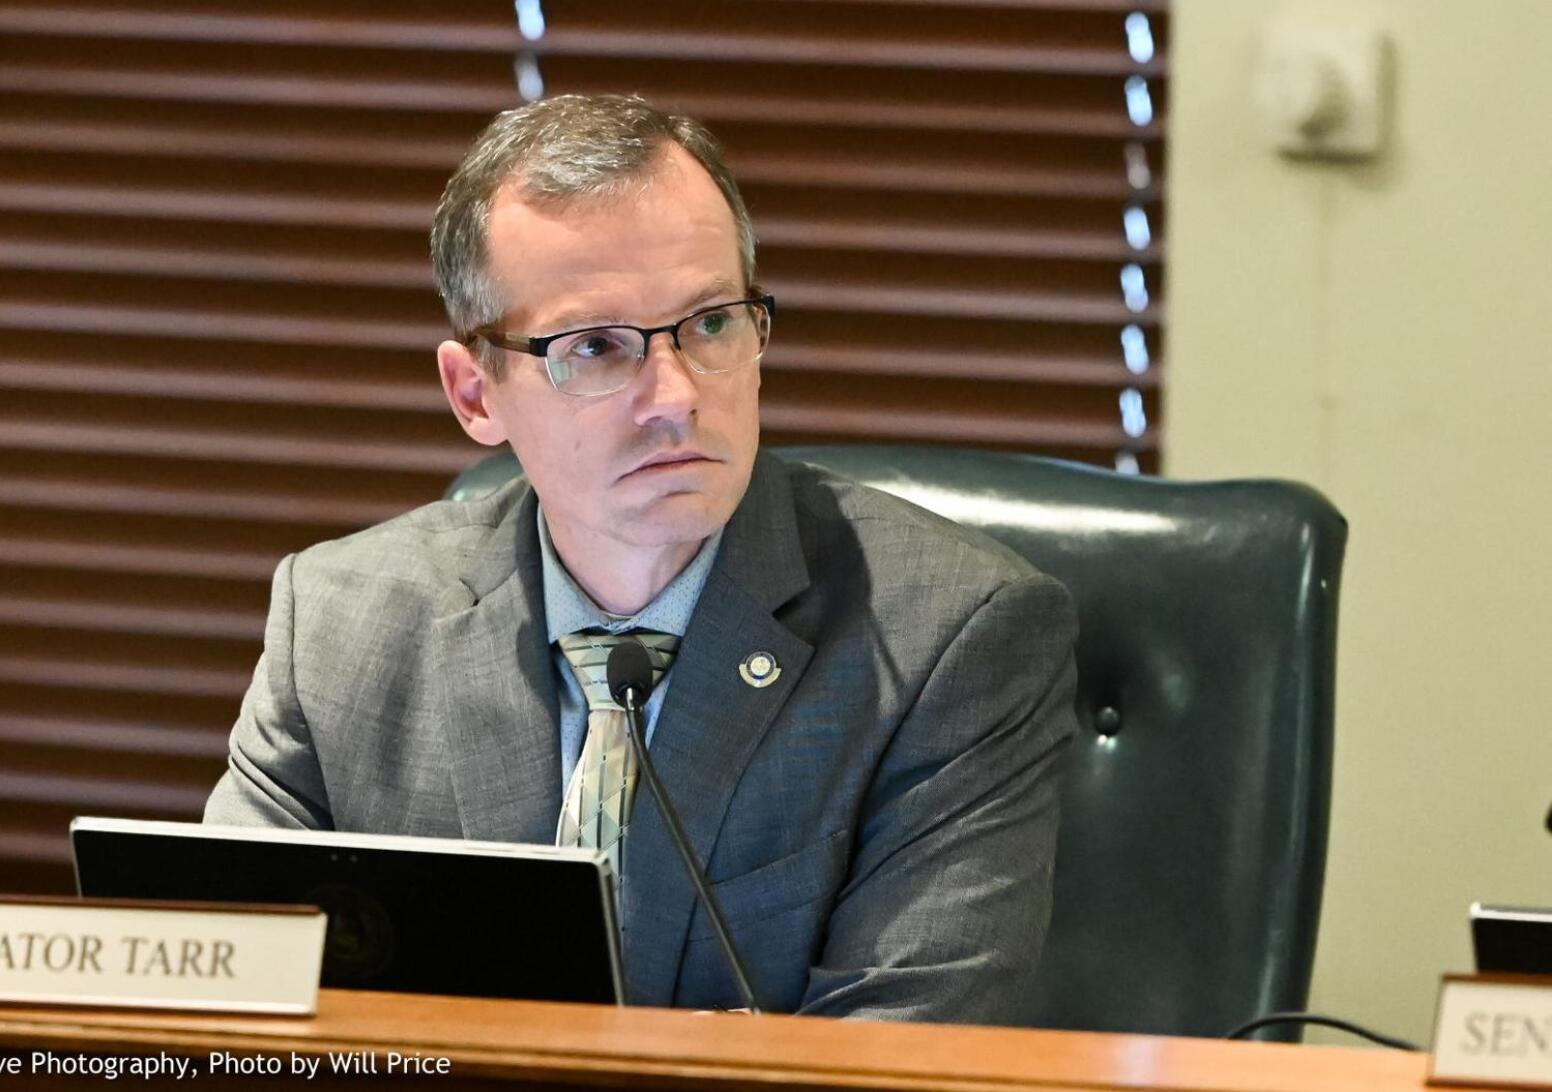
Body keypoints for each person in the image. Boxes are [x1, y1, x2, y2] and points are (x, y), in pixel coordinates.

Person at [205, 94, 1078, 1023]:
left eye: (710, 324)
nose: (674, 397)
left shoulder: (947, 641)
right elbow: (223, 1000)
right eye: (595, 346)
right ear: (474, 394)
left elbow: (897, 1061)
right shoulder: (340, 622)